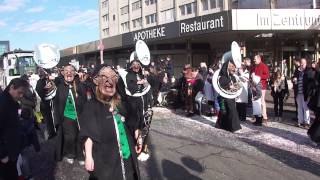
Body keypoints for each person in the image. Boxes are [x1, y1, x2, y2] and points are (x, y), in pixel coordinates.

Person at [80, 65, 141, 180]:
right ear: (97, 82)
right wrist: (88, 156)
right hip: (107, 161)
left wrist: (138, 135)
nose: (109, 81)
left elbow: (132, 121)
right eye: (104, 77)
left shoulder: (120, 103)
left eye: (113, 77)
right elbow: (88, 133)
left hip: (127, 157)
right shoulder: (91, 105)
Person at [0, 78, 29, 180]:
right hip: (5, 155)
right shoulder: (3, 103)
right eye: (19, 93)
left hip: (12, 151)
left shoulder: (11, 101)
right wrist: (2, 154)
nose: (21, 96)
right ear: (12, 87)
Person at [125, 60, 152, 160]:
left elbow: (148, 89)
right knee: (135, 126)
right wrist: (138, 82)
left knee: (143, 126)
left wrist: (150, 102)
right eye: (134, 65)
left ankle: (142, 148)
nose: (136, 67)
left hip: (143, 105)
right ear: (131, 67)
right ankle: (135, 148)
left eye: (138, 65)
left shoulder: (142, 75)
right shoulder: (129, 75)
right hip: (133, 105)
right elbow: (130, 88)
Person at [216, 59, 241, 132]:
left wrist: (238, 85)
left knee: (227, 111)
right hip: (224, 97)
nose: (234, 68)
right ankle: (235, 127)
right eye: (231, 66)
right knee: (229, 110)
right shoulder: (222, 77)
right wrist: (228, 86)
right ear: (227, 67)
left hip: (231, 96)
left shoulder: (233, 77)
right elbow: (221, 86)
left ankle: (221, 125)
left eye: (234, 67)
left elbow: (236, 86)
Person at [292, 58, 314, 128]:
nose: (301, 64)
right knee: (299, 107)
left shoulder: (308, 71)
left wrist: (310, 93)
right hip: (298, 92)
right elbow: (294, 77)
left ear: (306, 63)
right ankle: (300, 121)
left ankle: (307, 122)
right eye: (301, 63)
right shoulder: (297, 70)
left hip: (305, 93)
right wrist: (293, 79)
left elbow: (311, 82)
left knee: (306, 108)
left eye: (303, 63)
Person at [252, 54, 270, 123]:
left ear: (259, 59)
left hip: (262, 86)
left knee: (262, 101)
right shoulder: (255, 66)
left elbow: (267, 75)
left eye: (255, 59)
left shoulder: (263, 66)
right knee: (257, 101)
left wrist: (258, 76)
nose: (254, 60)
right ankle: (258, 115)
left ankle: (264, 117)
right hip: (255, 86)